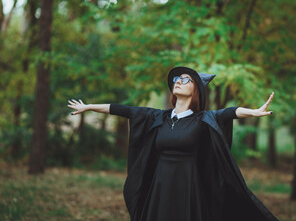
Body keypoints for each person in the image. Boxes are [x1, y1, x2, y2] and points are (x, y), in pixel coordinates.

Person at [67, 66, 278, 221]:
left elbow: (229, 113)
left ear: (196, 91)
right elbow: (124, 110)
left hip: (189, 188)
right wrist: (89, 107)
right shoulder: (159, 118)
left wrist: (253, 111)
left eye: (186, 80)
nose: (178, 81)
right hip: (159, 186)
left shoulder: (203, 118)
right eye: (177, 78)